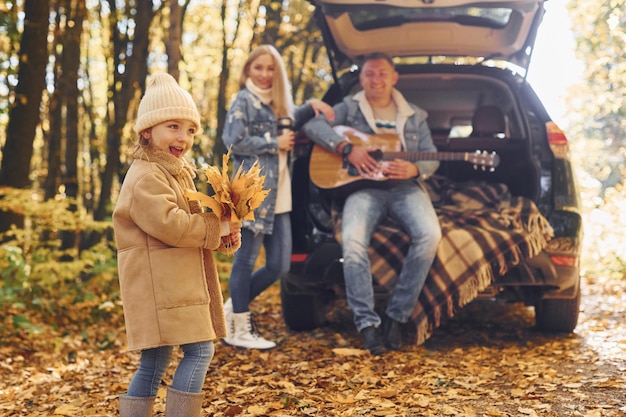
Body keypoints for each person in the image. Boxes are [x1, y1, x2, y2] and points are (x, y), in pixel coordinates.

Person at [113, 73, 241, 417]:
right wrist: (217, 225)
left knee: (155, 361)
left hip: (172, 283)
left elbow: (190, 228)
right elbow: (173, 226)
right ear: (147, 131)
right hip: (160, 286)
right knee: (199, 351)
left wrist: (223, 233)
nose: (183, 137)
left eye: (190, 130)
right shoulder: (145, 177)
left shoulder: (172, 173)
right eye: (173, 126)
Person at [303, 52, 442, 355]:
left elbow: (431, 155)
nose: (376, 80)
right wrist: (346, 148)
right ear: (361, 78)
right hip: (363, 188)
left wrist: (415, 169)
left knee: (430, 235)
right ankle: (367, 324)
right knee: (352, 243)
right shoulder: (349, 107)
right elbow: (313, 128)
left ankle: (396, 317)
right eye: (369, 75)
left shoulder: (415, 115)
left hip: (405, 187)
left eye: (382, 74)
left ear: (394, 77)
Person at [221, 44, 334, 350]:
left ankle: (232, 307)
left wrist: (311, 105)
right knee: (244, 261)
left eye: (271, 69)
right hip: (253, 192)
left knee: (280, 266)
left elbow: (289, 119)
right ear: (248, 70)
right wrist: (274, 142)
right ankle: (238, 329)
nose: (264, 74)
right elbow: (233, 140)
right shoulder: (244, 100)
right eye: (258, 68)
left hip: (281, 197)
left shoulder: (278, 102)